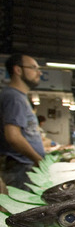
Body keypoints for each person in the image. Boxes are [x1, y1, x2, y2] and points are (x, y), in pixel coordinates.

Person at [0, 53, 45, 191]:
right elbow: (13, 136)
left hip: (22, 167)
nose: (39, 72)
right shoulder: (14, 97)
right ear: (18, 70)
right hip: (19, 168)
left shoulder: (19, 97)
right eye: (33, 67)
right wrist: (38, 159)